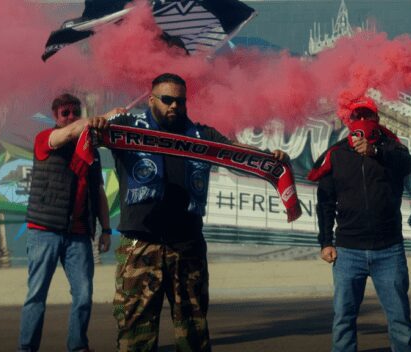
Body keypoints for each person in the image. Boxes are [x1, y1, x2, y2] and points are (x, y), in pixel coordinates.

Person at [89, 73, 287, 352]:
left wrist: (269, 158)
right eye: (167, 100)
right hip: (141, 244)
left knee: (193, 331)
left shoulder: (201, 135)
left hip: (187, 245)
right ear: (151, 99)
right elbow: (87, 136)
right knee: (135, 332)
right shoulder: (127, 127)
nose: (174, 107)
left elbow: (234, 152)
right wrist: (98, 123)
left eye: (180, 101)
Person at [312, 97, 411, 352]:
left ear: (377, 120)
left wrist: (375, 152)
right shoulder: (336, 154)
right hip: (348, 252)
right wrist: (325, 242)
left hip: (389, 250)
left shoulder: (392, 149)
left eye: (366, 116)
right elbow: (325, 202)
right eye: (356, 116)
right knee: (344, 319)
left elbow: (406, 164)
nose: (361, 121)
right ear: (349, 122)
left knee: (400, 319)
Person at [19, 93, 111, 352]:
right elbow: (66, 134)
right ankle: (26, 348)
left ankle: (77, 346)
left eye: (74, 112)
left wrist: (106, 229)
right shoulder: (45, 140)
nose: (70, 116)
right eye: (64, 113)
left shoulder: (89, 147)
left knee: (83, 295)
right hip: (44, 231)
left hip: (79, 233)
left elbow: (99, 191)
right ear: (55, 116)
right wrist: (92, 121)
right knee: (36, 295)